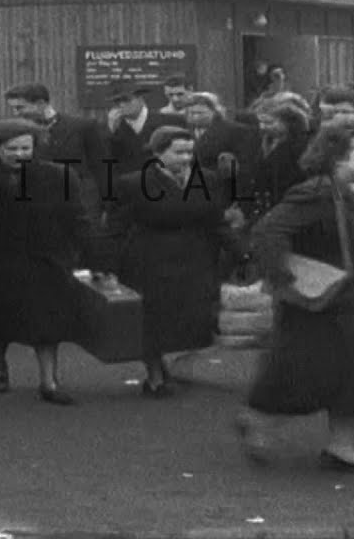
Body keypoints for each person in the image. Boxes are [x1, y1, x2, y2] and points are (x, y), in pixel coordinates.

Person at [235, 119, 354, 474]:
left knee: (352, 371)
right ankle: (259, 420)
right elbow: (268, 230)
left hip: (346, 296)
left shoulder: (343, 193)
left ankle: (342, 447)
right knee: (305, 371)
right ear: (338, 157)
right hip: (322, 300)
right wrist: (286, 276)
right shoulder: (318, 192)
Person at [0, 119, 97, 406]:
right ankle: (0, 365)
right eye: (12, 148)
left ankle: (49, 381)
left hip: (47, 261)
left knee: (48, 323)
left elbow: (77, 219)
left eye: (26, 147)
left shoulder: (59, 177)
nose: (20, 154)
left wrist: (93, 256)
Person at [106, 126, 245, 396]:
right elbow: (115, 228)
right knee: (153, 319)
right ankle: (155, 375)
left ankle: (173, 364)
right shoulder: (133, 183)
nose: (185, 158)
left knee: (192, 317)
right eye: (178, 152)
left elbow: (217, 222)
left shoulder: (209, 179)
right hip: (149, 259)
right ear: (157, 153)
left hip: (197, 258)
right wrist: (107, 266)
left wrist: (243, 253)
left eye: (189, 152)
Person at [5, 83, 109, 223]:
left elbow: (102, 169)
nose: (15, 113)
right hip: (37, 209)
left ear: (41, 104)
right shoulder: (19, 133)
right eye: (13, 108)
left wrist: (108, 207)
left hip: (82, 208)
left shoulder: (83, 127)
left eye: (20, 107)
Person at [246, 96, 311, 225]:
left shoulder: (300, 147)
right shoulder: (261, 142)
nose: (263, 127)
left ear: (288, 123)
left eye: (269, 123)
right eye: (261, 122)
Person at [184, 91, 258, 199]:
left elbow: (245, 167)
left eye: (200, 113)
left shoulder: (235, 130)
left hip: (222, 192)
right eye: (191, 113)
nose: (195, 117)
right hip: (192, 191)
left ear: (214, 112)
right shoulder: (184, 131)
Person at [106, 81, 185, 176]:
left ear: (140, 99)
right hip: (128, 184)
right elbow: (106, 160)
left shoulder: (169, 121)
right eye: (117, 102)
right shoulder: (113, 128)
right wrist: (111, 130)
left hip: (163, 181)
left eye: (127, 100)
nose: (122, 105)